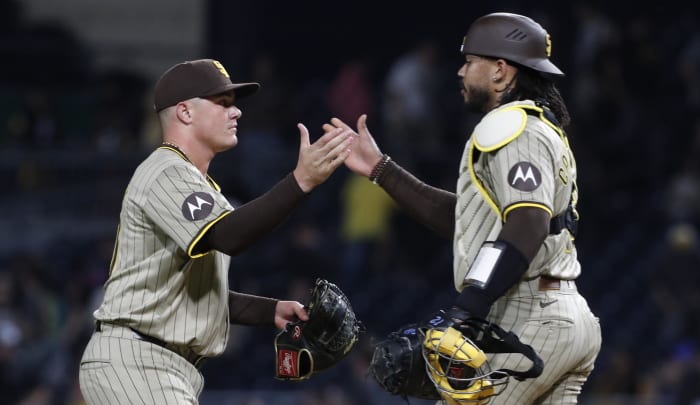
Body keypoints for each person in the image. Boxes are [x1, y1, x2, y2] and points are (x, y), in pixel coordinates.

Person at [325, 12, 602, 404]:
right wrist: (380, 169)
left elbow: (527, 223)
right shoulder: (539, 127)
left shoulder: (511, 126)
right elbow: (468, 221)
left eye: (471, 61)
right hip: (560, 314)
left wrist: (466, 309)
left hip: (525, 316)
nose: (460, 71)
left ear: (501, 73)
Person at [78, 58, 354, 404]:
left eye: (233, 104)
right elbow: (229, 236)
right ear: (185, 113)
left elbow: (193, 295)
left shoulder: (200, 187)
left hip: (155, 363)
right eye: (222, 103)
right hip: (138, 361)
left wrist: (270, 310)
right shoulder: (166, 170)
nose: (235, 112)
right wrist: (301, 181)